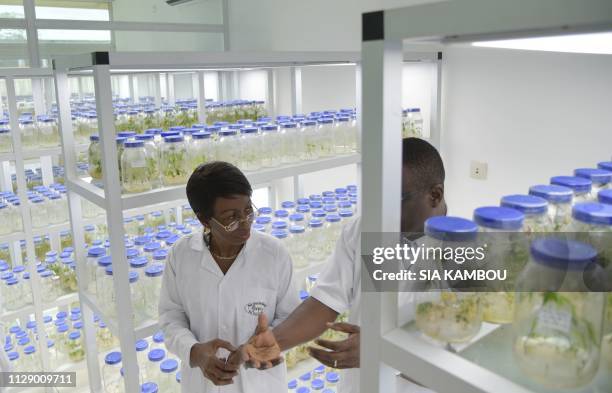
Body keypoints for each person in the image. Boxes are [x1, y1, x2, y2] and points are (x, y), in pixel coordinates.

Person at [233, 137, 447, 393]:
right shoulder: (364, 230)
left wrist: (384, 350)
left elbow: (462, 355)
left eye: (393, 199)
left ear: (434, 195)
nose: (379, 209)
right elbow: (326, 301)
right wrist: (275, 340)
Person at [158, 161, 299, 393]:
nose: (245, 223)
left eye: (248, 210)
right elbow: (171, 317)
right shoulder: (181, 255)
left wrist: (270, 339)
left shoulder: (274, 254)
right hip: (202, 385)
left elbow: (291, 317)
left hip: (261, 385)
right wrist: (194, 352)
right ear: (204, 220)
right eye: (231, 217)